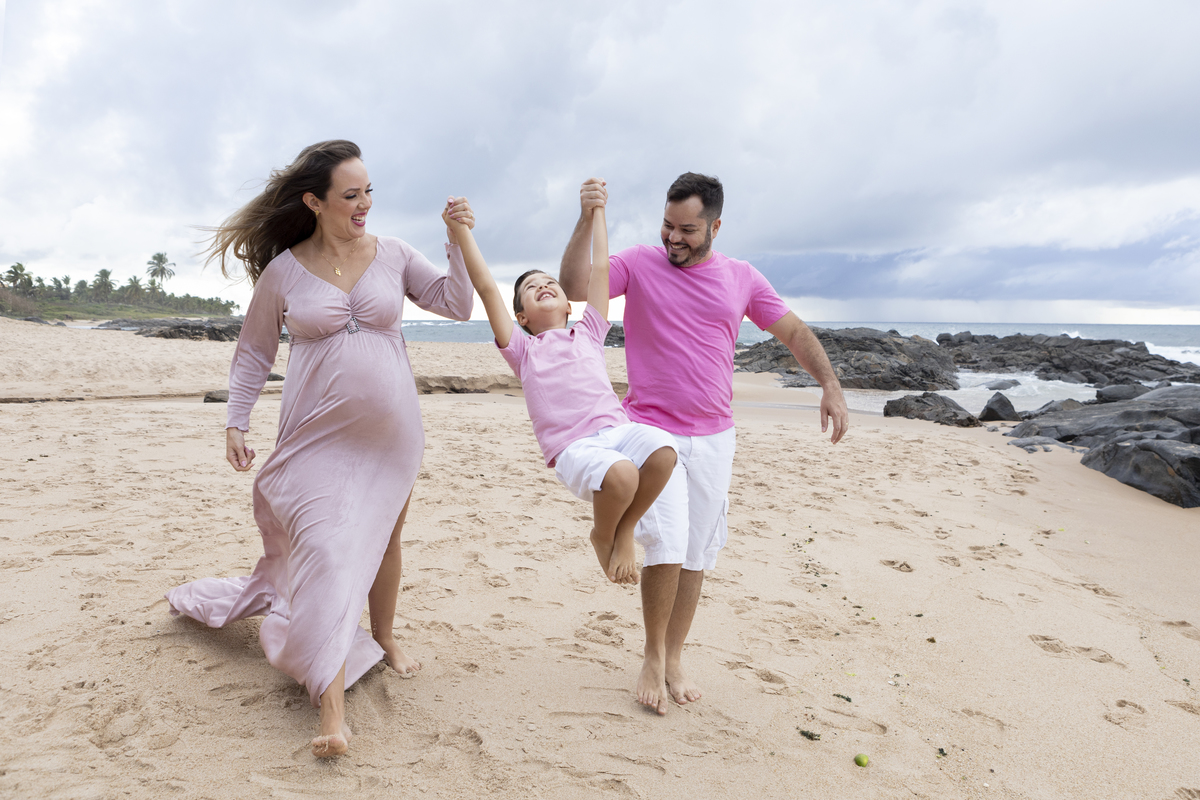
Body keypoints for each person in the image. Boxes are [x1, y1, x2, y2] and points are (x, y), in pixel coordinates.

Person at [165, 140, 475, 757]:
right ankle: (331, 714)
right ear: (315, 201)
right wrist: (236, 420)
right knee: (328, 556)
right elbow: (253, 351)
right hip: (312, 438)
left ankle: (384, 638)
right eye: (351, 195)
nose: (364, 205)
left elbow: (456, 305)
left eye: (369, 193)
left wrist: (458, 241)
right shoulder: (283, 272)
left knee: (385, 538)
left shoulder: (394, 254)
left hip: (391, 437)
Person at [558, 173, 850, 715]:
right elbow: (576, 286)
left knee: (696, 552)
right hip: (652, 430)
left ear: (715, 225)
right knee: (667, 543)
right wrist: (585, 218)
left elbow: (793, 332)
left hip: (715, 435)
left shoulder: (741, 277)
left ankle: (673, 655)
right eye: (668, 225)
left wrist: (829, 384)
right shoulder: (639, 263)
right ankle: (650, 655)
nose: (674, 238)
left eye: (688, 229)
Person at [441, 199, 677, 585]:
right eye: (531, 288)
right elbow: (485, 286)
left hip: (617, 430)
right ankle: (602, 534)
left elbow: (599, 268)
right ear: (522, 317)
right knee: (621, 477)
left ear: (569, 304)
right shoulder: (523, 350)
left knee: (664, 451)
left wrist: (598, 212)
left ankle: (625, 529)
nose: (543, 285)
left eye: (550, 282)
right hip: (574, 446)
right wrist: (461, 229)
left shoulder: (590, 332)